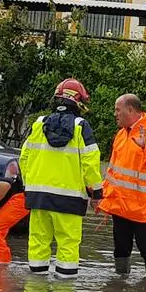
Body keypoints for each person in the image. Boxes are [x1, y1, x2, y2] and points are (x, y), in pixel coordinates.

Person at [19, 78, 103, 278]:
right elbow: (91, 163)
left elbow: (24, 158)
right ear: (79, 102)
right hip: (70, 201)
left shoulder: (39, 124)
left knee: (38, 244)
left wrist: (28, 187)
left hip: (38, 198)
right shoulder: (82, 126)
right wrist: (97, 193)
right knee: (68, 246)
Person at [98, 93, 146, 278]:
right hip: (121, 206)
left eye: (118, 110)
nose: (115, 114)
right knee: (120, 249)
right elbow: (113, 171)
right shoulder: (121, 134)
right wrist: (103, 199)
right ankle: (119, 284)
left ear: (130, 110)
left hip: (143, 208)